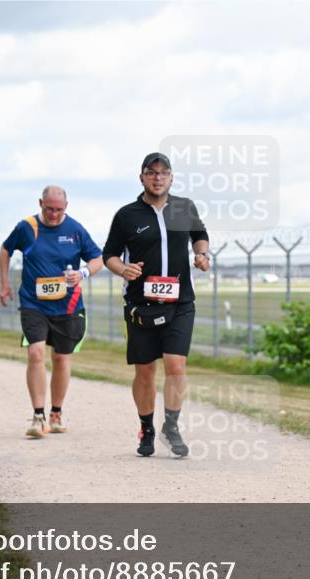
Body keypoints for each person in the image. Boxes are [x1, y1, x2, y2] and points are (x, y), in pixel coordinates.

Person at [102, 152, 210, 458]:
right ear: (142, 178)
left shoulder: (183, 207)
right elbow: (109, 253)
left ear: (172, 177)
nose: (157, 178)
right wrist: (122, 269)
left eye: (163, 173)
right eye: (151, 172)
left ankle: (171, 426)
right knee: (146, 370)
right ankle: (146, 428)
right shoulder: (127, 215)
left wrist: (202, 254)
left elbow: (199, 235)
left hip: (180, 302)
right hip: (141, 305)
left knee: (176, 365)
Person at [0, 186, 104, 438]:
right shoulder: (27, 227)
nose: (54, 214)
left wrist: (83, 273)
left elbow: (98, 258)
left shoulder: (76, 230)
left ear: (66, 206)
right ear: (40, 204)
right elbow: (5, 250)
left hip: (67, 305)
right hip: (33, 303)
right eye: (49, 209)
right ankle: (38, 416)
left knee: (60, 359)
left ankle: (56, 413)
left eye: (59, 210)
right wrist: (4, 283)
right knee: (35, 353)